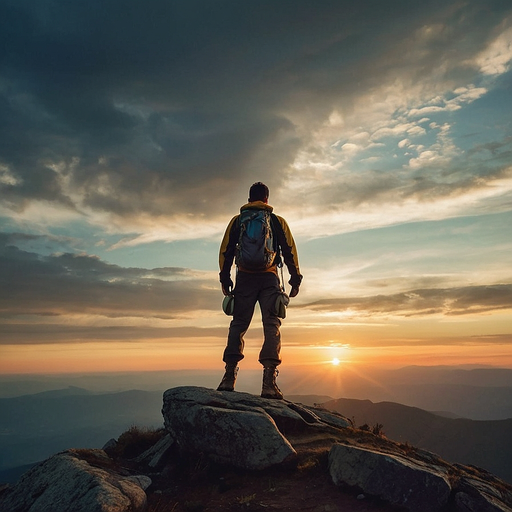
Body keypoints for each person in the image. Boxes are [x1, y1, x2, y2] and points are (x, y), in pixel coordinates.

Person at [217, 182, 302, 399]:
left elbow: (226, 251)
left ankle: (228, 378)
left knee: (238, 324)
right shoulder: (275, 221)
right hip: (269, 278)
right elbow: (290, 250)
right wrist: (295, 277)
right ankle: (268, 383)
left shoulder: (238, 221)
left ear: (249, 199)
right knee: (271, 325)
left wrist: (224, 277)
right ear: (266, 199)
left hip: (244, 278)